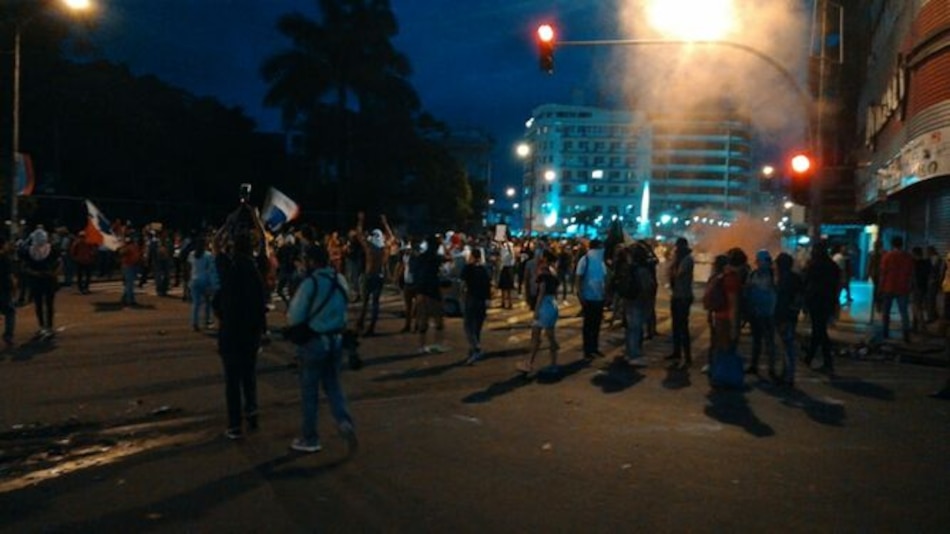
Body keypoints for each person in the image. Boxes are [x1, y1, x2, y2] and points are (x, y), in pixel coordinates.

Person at [286, 245, 357, 454]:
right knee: (333, 385)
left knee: (310, 392)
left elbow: (294, 316)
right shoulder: (341, 280)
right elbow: (347, 305)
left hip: (314, 342)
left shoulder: (311, 283)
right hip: (336, 339)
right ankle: (345, 422)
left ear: (312, 262)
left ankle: (310, 438)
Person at [214, 233, 267, 440]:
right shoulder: (256, 272)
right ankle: (252, 412)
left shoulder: (229, 272)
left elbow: (216, 246)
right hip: (251, 332)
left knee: (232, 381)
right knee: (249, 375)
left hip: (230, 332)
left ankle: (235, 425)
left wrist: (227, 225)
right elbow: (263, 244)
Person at [517, 250, 560, 375]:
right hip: (552, 304)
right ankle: (533, 363)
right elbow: (555, 292)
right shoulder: (553, 272)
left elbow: (541, 293)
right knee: (541, 335)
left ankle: (550, 364)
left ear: (545, 259)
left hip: (544, 306)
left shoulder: (544, 273)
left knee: (543, 336)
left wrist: (536, 309)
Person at [804, 243, 841, 374]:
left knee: (819, 331)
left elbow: (807, 282)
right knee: (819, 330)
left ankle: (825, 361)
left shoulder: (814, 265)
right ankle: (811, 357)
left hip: (817, 301)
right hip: (828, 302)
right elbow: (837, 285)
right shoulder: (833, 266)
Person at [355, 212, 394, 336]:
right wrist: (385, 223)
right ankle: (370, 326)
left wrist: (360, 220)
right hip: (379, 276)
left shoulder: (369, 247)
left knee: (366, 302)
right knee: (375, 303)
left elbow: (359, 234)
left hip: (369, 276)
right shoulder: (384, 248)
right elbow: (391, 237)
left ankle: (361, 322)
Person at [21, 227, 60, 340]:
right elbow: (59, 263)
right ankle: (48, 326)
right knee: (48, 304)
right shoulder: (52, 249)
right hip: (48, 280)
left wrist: (34, 273)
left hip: (37, 280)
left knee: (39, 304)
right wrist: (53, 273)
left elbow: (24, 267)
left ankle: (43, 326)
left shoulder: (29, 251)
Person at [744, 250, 778, 379]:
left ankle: (771, 368)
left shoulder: (772, 275)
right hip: (756, 312)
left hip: (768, 312)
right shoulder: (753, 274)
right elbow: (748, 289)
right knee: (757, 340)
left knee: (769, 341)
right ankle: (754, 365)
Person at [622, 244, 657, 367]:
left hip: (629, 300)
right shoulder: (642, 270)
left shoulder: (630, 268)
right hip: (638, 301)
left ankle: (629, 352)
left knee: (630, 328)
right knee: (636, 329)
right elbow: (647, 288)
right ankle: (634, 355)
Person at [575, 239, 607, 359]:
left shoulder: (600, 262)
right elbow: (578, 278)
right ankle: (588, 349)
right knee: (588, 325)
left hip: (599, 297)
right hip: (588, 297)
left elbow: (604, 278)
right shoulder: (584, 260)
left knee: (596, 324)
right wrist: (580, 294)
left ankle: (594, 347)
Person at [879, 235, 915, 343]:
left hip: (888, 286)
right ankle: (906, 335)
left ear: (892, 244)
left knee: (886, 312)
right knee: (904, 312)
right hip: (903, 287)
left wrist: (880, 288)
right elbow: (911, 274)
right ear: (902, 244)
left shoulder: (887, 256)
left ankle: (885, 332)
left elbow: (883, 273)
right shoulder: (908, 257)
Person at [666, 237, 694, 368]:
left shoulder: (687, 260)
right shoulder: (679, 259)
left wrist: (673, 265)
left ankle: (687, 356)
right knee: (676, 326)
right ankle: (676, 352)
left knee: (683, 327)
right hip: (677, 295)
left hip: (684, 296)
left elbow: (678, 274)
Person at [460, 248, 491, 364]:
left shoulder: (468, 268)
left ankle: (476, 347)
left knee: (468, 326)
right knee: (477, 327)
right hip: (482, 301)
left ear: (472, 256)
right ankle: (473, 353)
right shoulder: (484, 269)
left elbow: (463, 285)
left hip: (471, 299)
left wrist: (462, 298)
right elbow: (488, 286)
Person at [415, 234, 446, 354]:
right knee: (438, 319)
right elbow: (447, 260)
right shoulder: (436, 258)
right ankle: (437, 344)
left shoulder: (421, 257)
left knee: (423, 319)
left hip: (421, 290)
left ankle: (422, 346)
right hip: (433, 290)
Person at [188, 238, 218, 331]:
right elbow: (211, 270)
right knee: (208, 302)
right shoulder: (208, 255)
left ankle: (194, 322)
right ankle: (207, 320)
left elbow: (189, 266)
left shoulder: (192, 254)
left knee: (196, 303)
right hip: (204, 279)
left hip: (194, 279)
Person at [0, 235, 16, 348]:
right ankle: (8, 336)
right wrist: (14, 287)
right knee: (10, 312)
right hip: (4, 288)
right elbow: (10, 275)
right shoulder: (4, 258)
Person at [117, 235, 142, 307]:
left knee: (129, 284)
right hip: (128, 266)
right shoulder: (129, 247)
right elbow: (121, 253)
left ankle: (125, 298)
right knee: (129, 284)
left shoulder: (132, 247)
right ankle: (130, 300)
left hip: (131, 266)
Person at [867, 238, 884, 324]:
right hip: (879, 273)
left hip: (876, 273)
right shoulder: (882, 253)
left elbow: (870, 264)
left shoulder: (873, 254)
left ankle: (878, 305)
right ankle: (878, 305)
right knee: (879, 290)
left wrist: (869, 273)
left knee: (877, 289)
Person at [498, 239, 516, 309]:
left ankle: (510, 303)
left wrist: (507, 242)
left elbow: (511, 252)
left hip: (509, 268)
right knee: (502, 287)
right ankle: (503, 302)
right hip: (504, 268)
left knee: (509, 288)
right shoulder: (502, 248)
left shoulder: (510, 247)